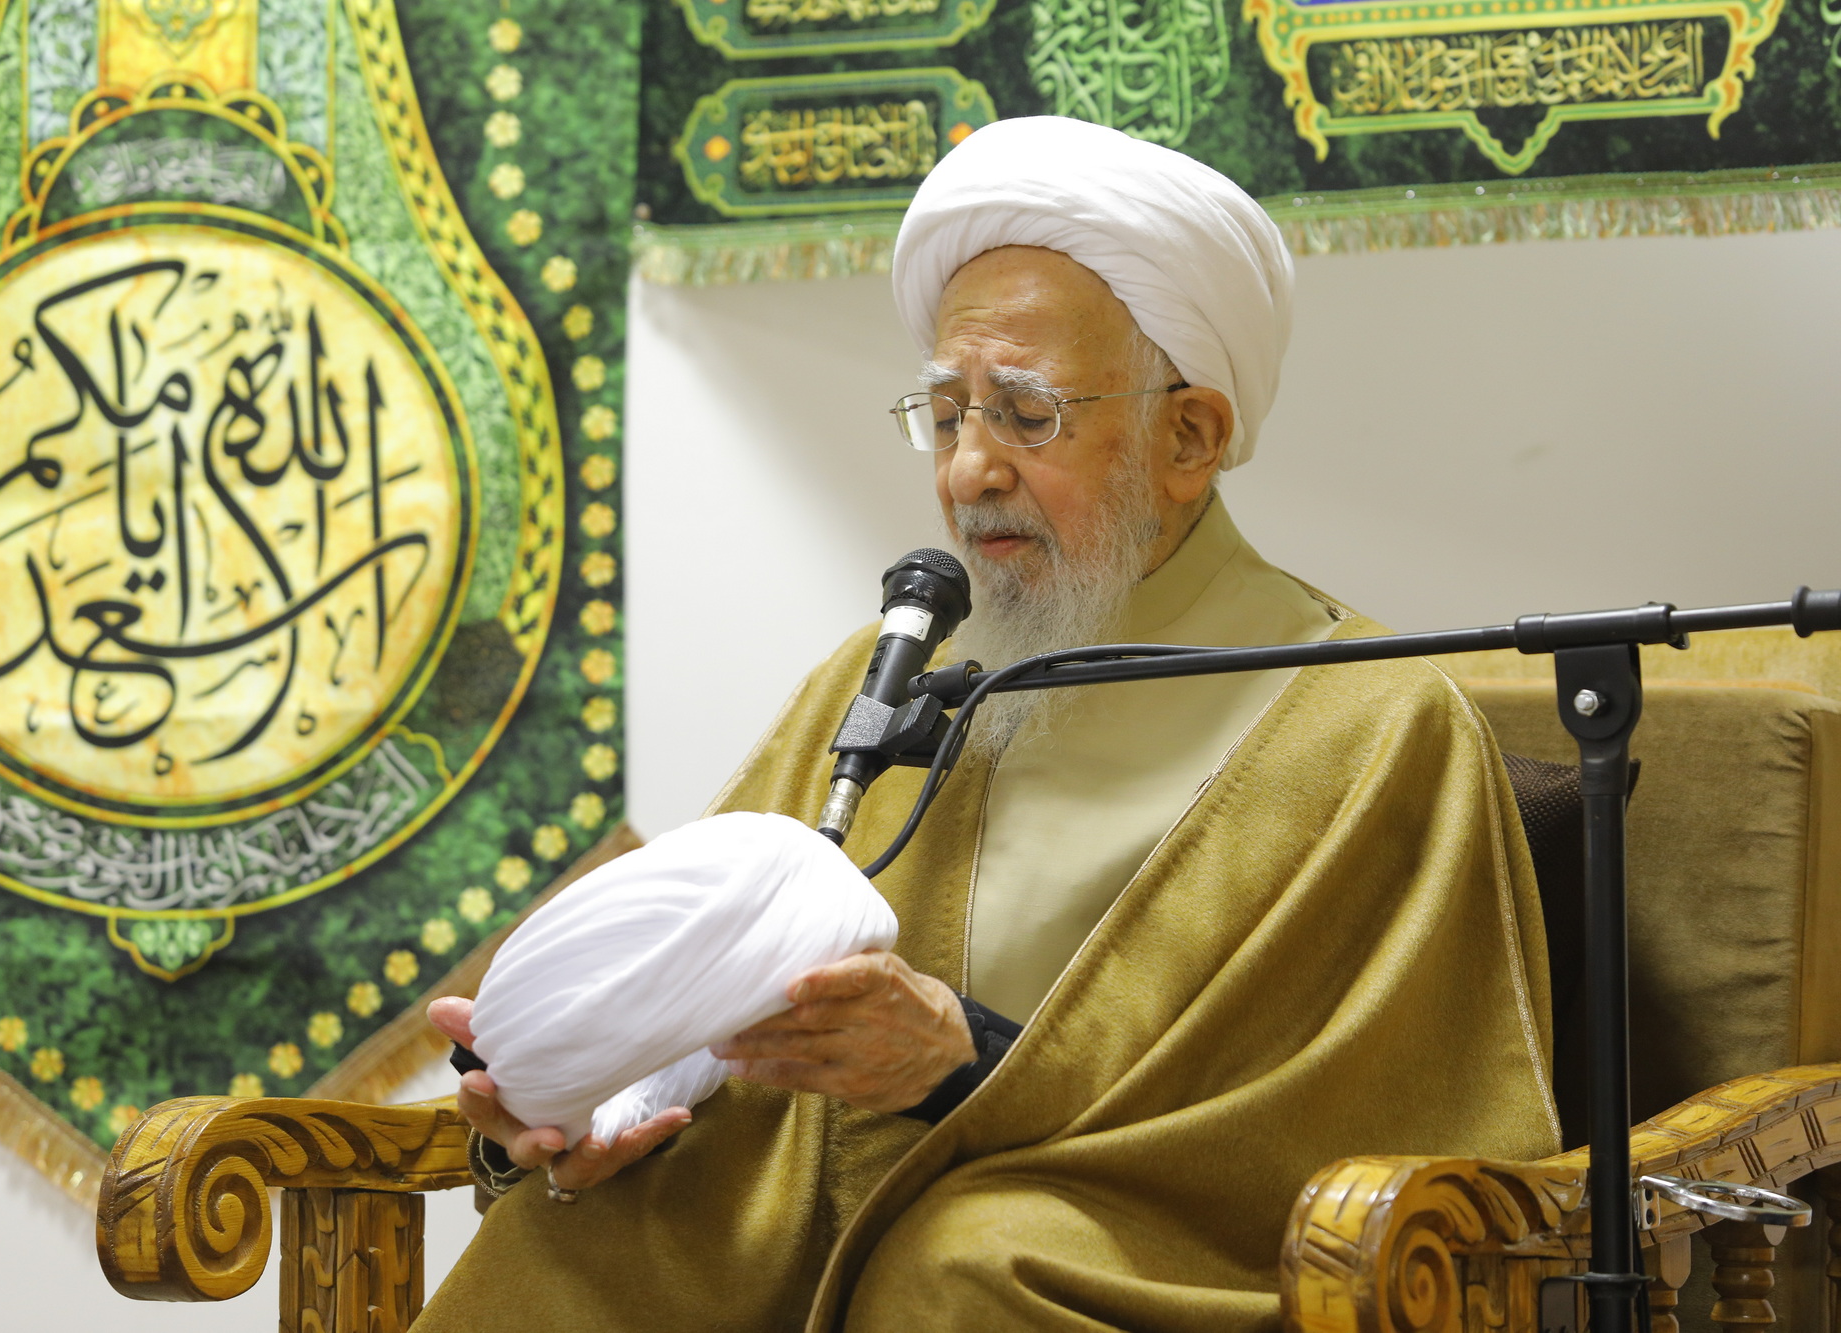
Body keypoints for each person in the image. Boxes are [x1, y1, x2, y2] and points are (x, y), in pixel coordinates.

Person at [415, 116, 1557, 1332]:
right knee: (596, 1238)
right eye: (947, 413)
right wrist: (579, 1099)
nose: (967, 471)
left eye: (1023, 412)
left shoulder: (1368, 725)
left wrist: (964, 1064)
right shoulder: (891, 677)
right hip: (806, 1242)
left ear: (1189, 437)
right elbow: (698, 991)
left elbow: (1336, 1127)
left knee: (966, 1265)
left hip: (1124, 1269)